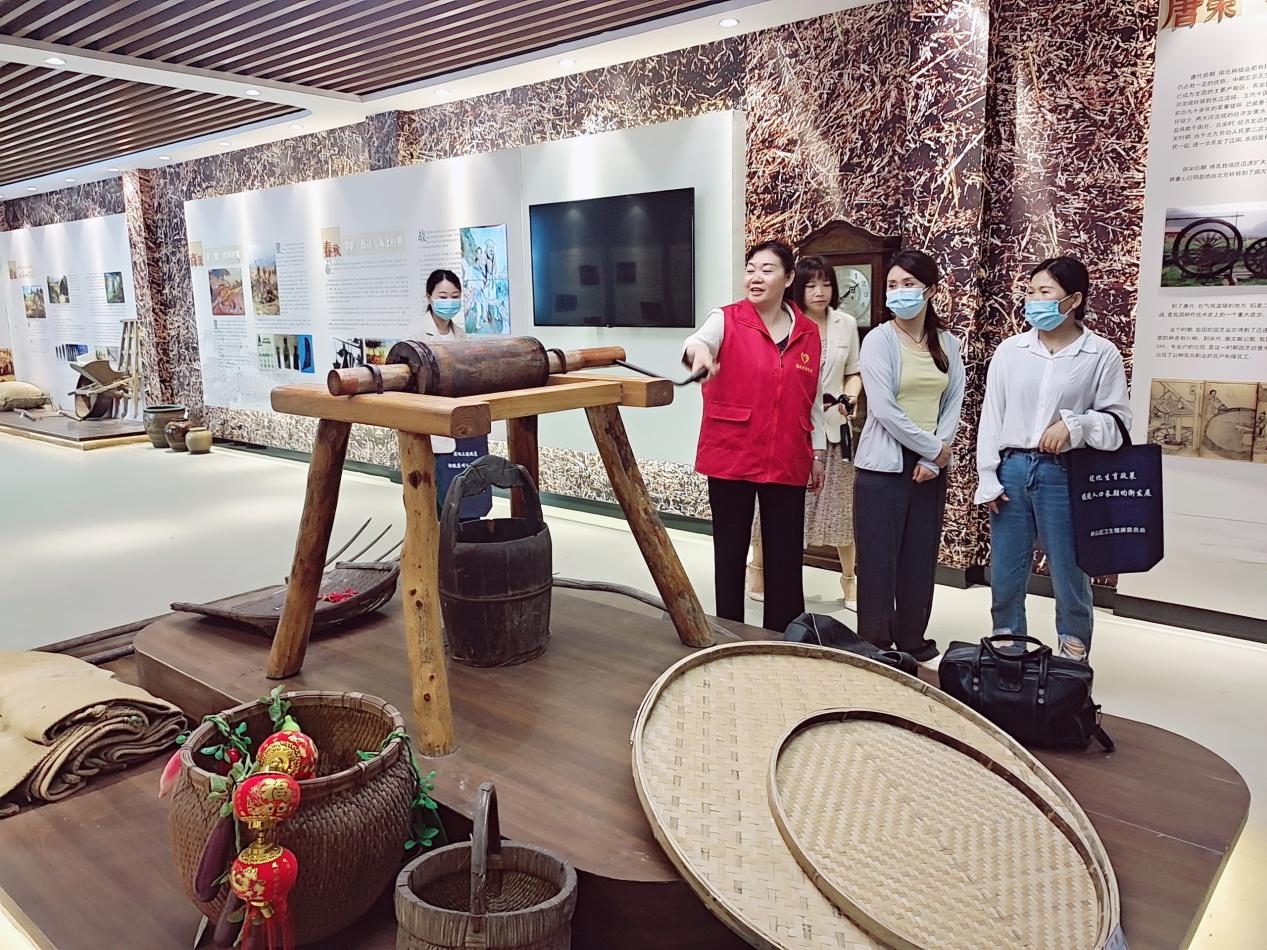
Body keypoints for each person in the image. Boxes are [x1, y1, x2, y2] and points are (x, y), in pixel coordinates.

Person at [976, 256, 1131, 661]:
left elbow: (1118, 426)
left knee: (1069, 570)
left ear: (1074, 299)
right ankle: (1008, 653)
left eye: (1045, 292)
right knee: (1006, 573)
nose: (1033, 300)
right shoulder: (1011, 350)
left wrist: (1075, 425)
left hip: (1064, 473)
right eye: (1030, 292)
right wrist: (987, 476)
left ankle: (1072, 659)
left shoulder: (1100, 354)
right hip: (1011, 469)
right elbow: (992, 415)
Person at [683, 240, 827, 633]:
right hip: (732, 451)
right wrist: (699, 355)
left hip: (788, 453)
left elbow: (812, 397)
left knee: (785, 556)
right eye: (750, 269)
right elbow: (698, 341)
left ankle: (784, 636)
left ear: (788, 278)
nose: (755, 277)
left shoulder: (808, 332)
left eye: (767, 269)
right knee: (729, 553)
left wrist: (817, 452)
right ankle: (729, 634)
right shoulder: (726, 318)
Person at [854, 249, 965, 662]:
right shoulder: (878, 341)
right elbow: (884, 409)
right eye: (893, 285)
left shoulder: (948, 344)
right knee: (878, 561)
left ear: (930, 290)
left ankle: (913, 639)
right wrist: (933, 448)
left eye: (909, 284)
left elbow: (952, 402)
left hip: (929, 467)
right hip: (883, 466)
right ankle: (875, 644)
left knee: (919, 559)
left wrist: (934, 459)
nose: (899, 292)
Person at [748, 256, 863, 607]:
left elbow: (854, 371)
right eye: (811, 284)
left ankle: (849, 580)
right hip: (791, 430)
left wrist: (851, 397)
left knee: (841, 508)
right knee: (771, 507)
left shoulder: (846, 324)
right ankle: (758, 569)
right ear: (797, 287)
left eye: (826, 283)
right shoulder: (785, 322)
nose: (819, 291)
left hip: (834, 428)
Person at [420, 269, 487, 521]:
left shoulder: (460, 334)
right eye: (443, 296)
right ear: (429, 297)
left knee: (467, 496)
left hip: (462, 423)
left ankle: (465, 541)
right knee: (439, 498)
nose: (449, 301)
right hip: (434, 426)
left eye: (455, 296)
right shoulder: (416, 334)